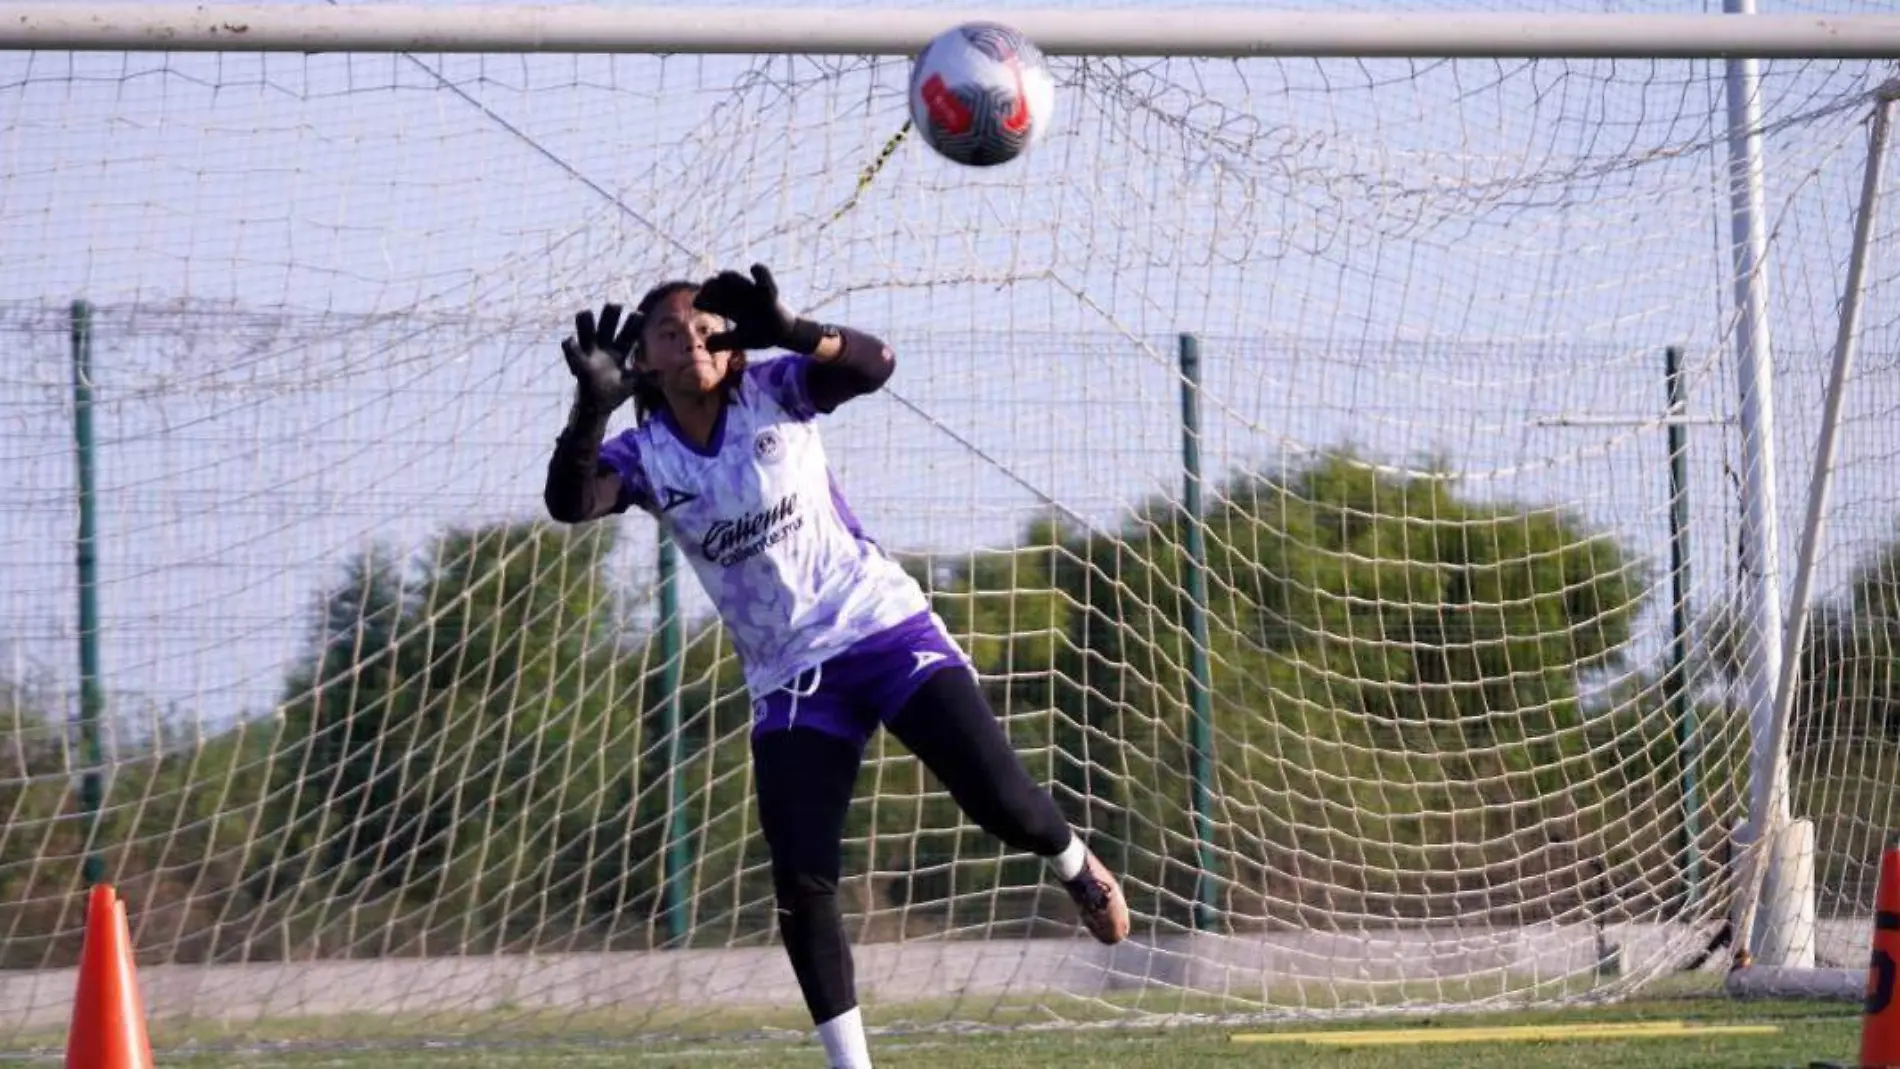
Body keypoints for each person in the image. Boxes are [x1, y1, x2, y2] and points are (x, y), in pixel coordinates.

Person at [542, 264, 1130, 1069]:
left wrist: (792, 328)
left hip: (880, 627)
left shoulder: (774, 387)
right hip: (788, 679)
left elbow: (874, 364)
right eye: (672, 333)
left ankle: (1074, 860)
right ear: (641, 358)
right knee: (803, 876)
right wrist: (588, 407)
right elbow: (570, 502)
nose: (696, 340)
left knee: (1003, 804)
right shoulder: (644, 453)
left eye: (707, 328)